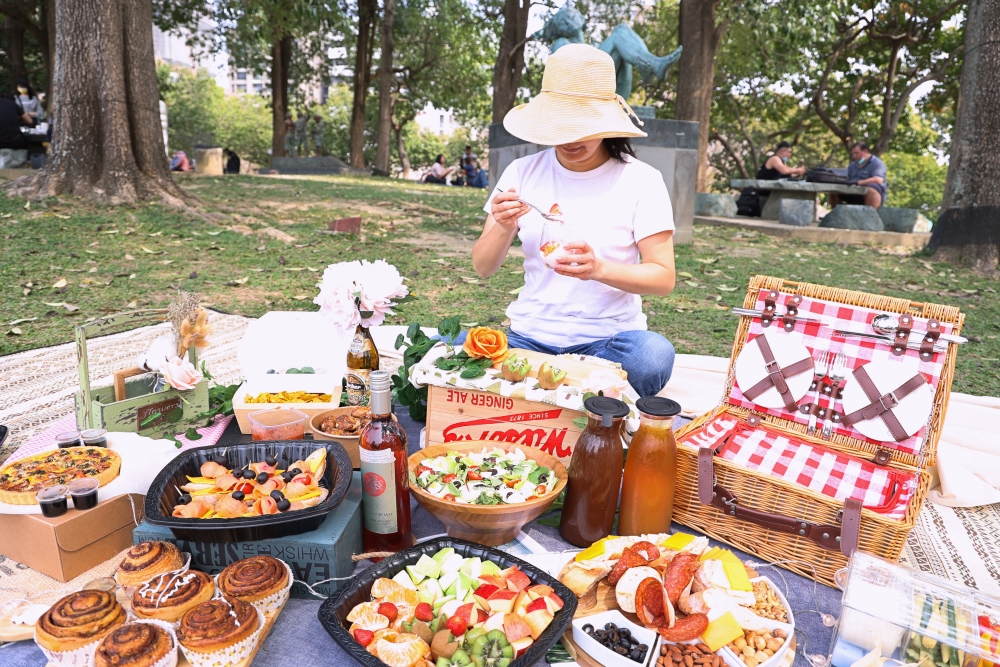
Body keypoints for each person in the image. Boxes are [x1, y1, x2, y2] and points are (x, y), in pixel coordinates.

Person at [472, 44, 676, 397]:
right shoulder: (522, 172)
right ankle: (579, 391)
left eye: (582, 127)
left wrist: (598, 269)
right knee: (448, 344)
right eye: (560, 125)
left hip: (606, 344)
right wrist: (503, 226)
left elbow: (663, 277)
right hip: (528, 337)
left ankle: (545, 387)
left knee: (653, 356)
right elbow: (483, 267)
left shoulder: (642, 180)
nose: (570, 139)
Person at [829, 141, 887, 209]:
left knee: (872, 189)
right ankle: (836, 216)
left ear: (865, 152)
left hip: (869, 195)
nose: (854, 156)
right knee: (834, 191)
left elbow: (878, 180)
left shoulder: (877, 163)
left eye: (856, 153)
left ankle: (870, 216)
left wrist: (858, 183)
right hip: (853, 192)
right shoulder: (853, 165)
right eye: (853, 153)